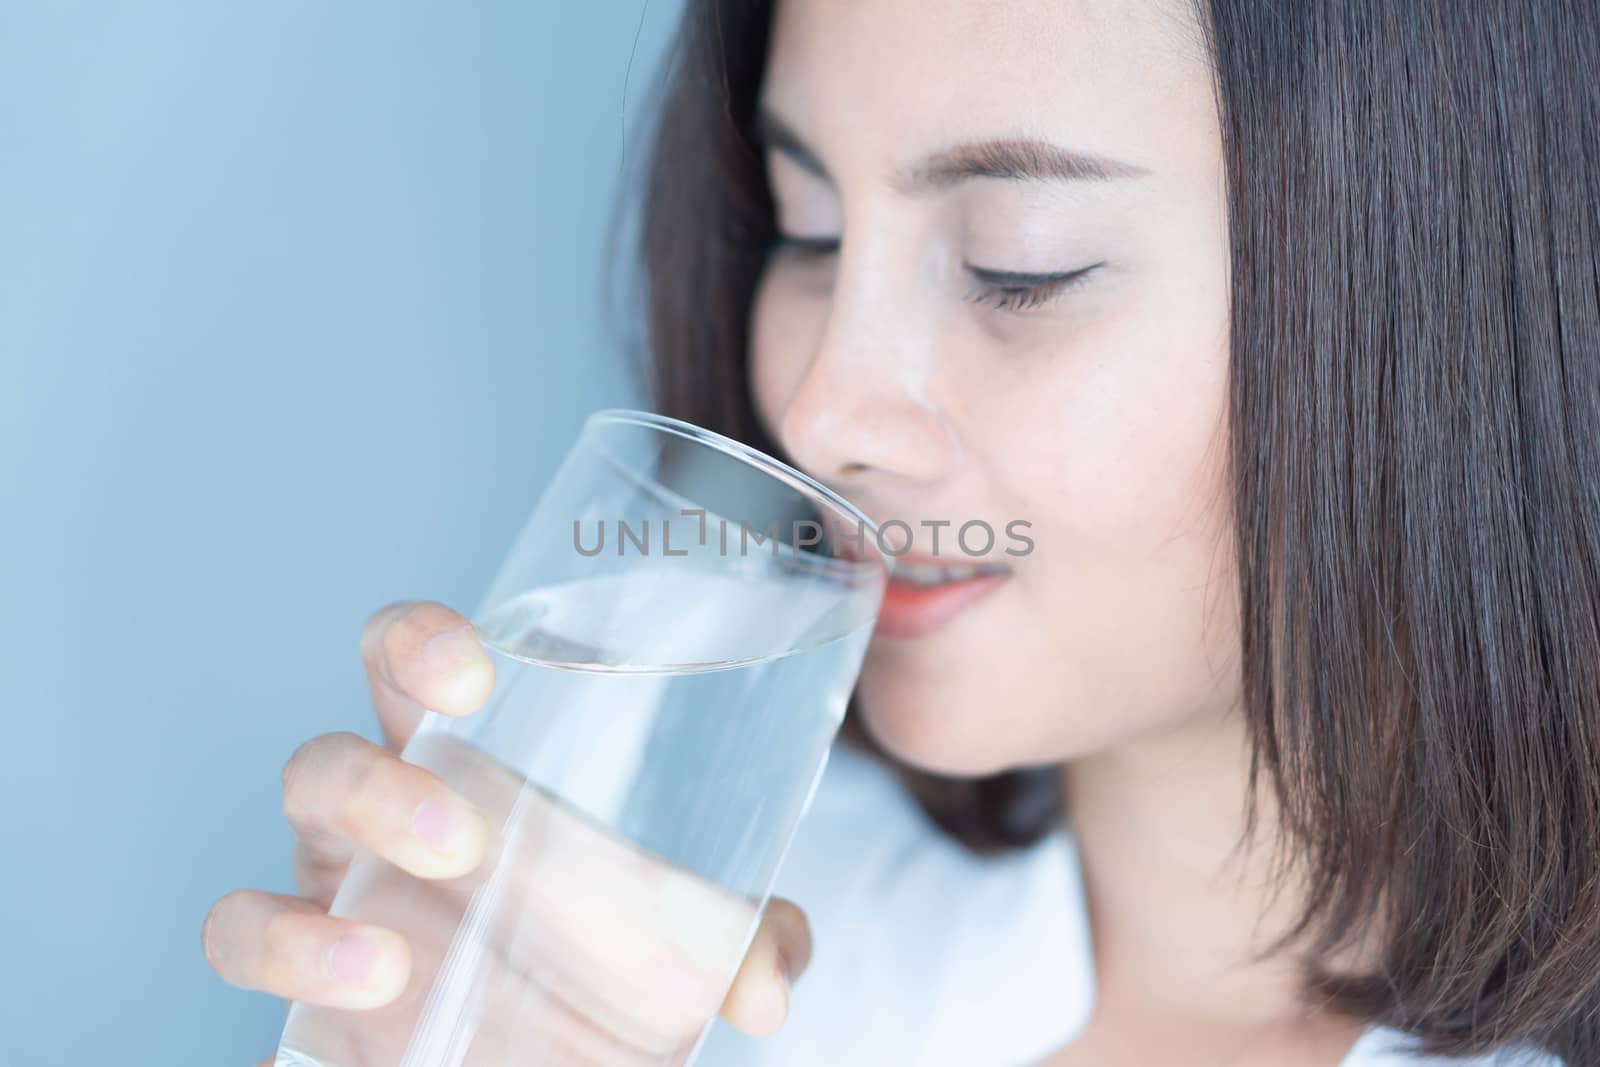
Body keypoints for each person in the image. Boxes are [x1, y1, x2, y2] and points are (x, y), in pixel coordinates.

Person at [202, 0, 1600, 1063]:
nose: (820, 413)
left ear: (1448, 296)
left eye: (1018, 268)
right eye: (807, 232)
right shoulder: (700, 967)